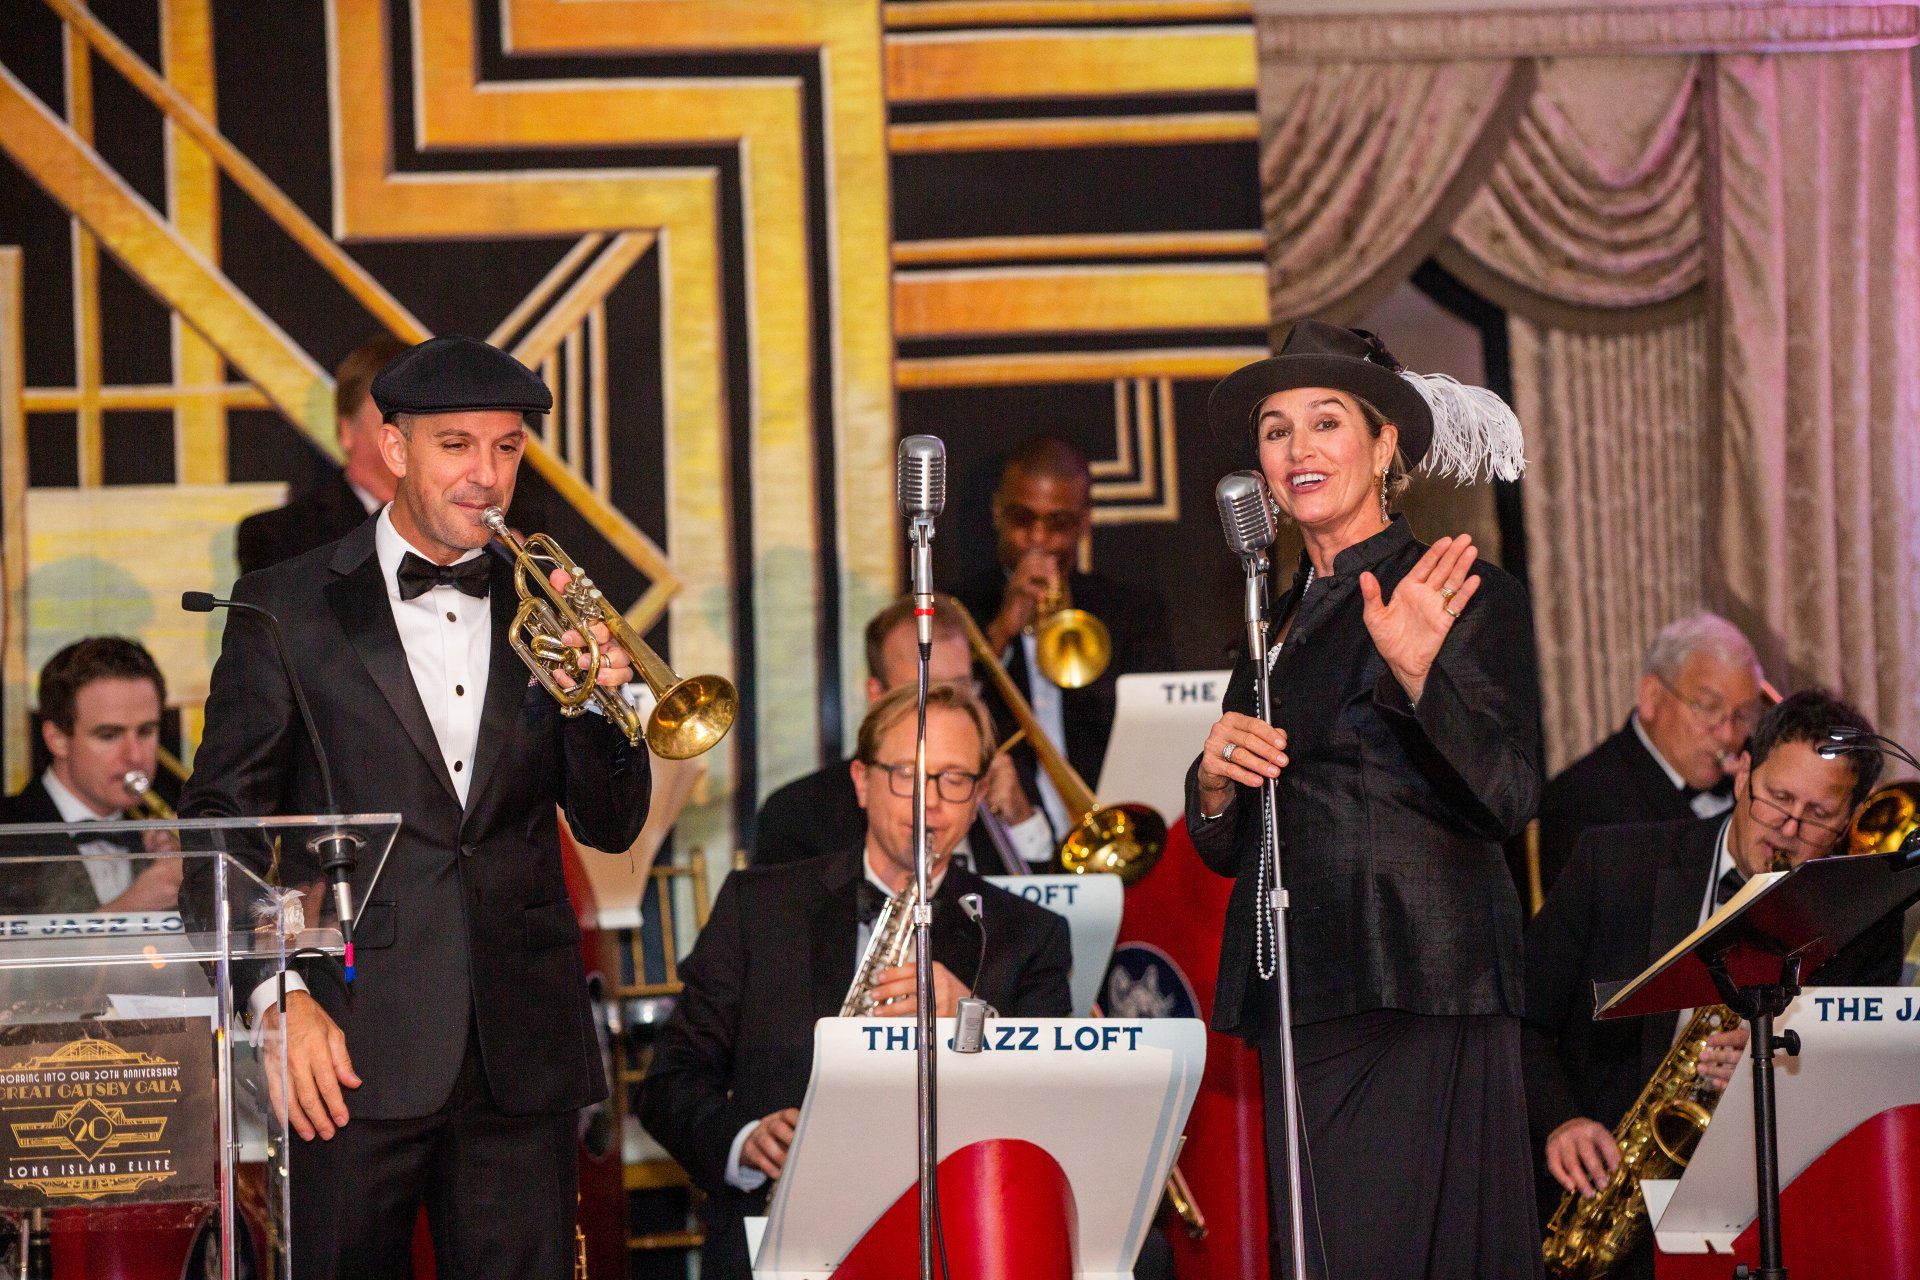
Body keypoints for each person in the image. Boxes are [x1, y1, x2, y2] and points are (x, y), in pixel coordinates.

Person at [181, 335, 652, 1280]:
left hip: (522, 1052)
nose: (487, 475)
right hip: (347, 1049)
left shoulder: (554, 600)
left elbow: (610, 824)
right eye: (457, 446)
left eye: (508, 447)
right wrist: (277, 998)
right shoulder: (284, 609)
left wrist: (606, 708)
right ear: (393, 448)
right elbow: (216, 836)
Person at [1190, 320, 1541, 1279]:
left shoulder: (1459, 591)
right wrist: (1212, 784)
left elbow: (1509, 796)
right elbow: (1237, 841)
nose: (1297, 448)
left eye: (1325, 421)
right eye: (1275, 430)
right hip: (1304, 997)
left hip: (1420, 990)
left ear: (1384, 446)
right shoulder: (1270, 623)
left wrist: (1423, 677)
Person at [640, 681, 1073, 1280]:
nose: (930, 803)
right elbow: (669, 1083)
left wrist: (971, 1019)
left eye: (954, 779)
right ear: (862, 782)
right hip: (779, 1242)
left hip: (955, 1241)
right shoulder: (759, 907)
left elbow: (1050, 1111)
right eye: (907, 775)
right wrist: (745, 1142)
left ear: (977, 797)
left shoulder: (1028, 935)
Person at [1524, 690, 1902, 1280]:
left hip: (1770, 1206)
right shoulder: (1614, 863)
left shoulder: (1868, 917)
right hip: (1607, 1191)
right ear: (1744, 771)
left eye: (1818, 814)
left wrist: (1789, 1061)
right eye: (1778, 798)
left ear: (1850, 820)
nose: (1788, 829)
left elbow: (1871, 1076)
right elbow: (1519, 1017)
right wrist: (1561, 1122)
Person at [951, 436, 1173, 838]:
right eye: (1022, 519)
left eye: (1058, 524)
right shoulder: (957, 613)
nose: (1038, 539)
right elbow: (939, 715)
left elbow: (1152, 738)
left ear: (1084, 522)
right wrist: (1000, 632)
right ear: (998, 511)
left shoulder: (1131, 613)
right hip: (1000, 835)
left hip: (1111, 828)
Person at [752, 595, 1052, 872]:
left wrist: (1020, 819)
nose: (944, 710)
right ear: (877, 695)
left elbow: (1049, 906)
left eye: (961, 689)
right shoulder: (798, 815)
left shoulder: (1009, 784)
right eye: (924, 691)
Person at [1538, 613, 1764, 890]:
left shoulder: (1759, 775)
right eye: (1707, 706)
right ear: (1652, 696)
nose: (1728, 735)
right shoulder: (1580, 803)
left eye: (1742, 716)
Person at [0, 637, 180, 913]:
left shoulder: (164, 830)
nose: (135, 755)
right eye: (109, 735)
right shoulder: (8, 831)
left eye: (146, 731)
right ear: (57, 739)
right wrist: (134, 905)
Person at [236, 334, 408, 575]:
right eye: (394, 415)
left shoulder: (458, 524)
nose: (412, 431)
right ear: (346, 431)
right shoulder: (280, 536)